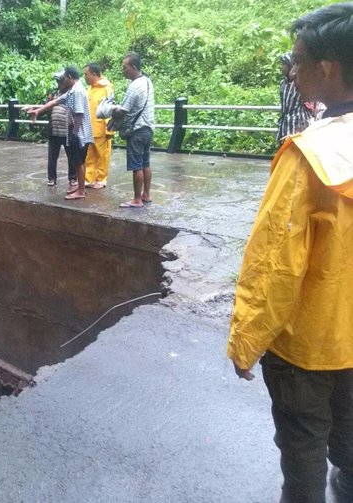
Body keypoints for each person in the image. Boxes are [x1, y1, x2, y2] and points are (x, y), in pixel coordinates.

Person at [227, 3, 353, 502]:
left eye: (298, 61)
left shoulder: (308, 155)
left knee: (302, 465)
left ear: (327, 69)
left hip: (307, 350)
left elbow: (275, 264)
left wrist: (246, 339)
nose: (292, 70)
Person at [26, 66, 93, 200]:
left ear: (69, 77)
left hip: (78, 133)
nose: (61, 82)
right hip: (77, 132)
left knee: (78, 162)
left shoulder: (78, 91)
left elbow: (79, 114)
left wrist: (74, 133)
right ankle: (80, 187)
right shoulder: (73, 90)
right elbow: (56, 101)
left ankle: (80, 191)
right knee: (79, 161)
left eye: (63, 79)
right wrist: (38, 111)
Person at [112, 52, 155, 208]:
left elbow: (123, 111)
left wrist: (109, 109)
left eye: (125, 67)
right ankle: (146, 195)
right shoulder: (147, 81)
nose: (123, 70)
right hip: (148, 129)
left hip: (136, 131)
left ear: (134, 67)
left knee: (136, 165)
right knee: (146, 163)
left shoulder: (134, 86)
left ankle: (137, 199)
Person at [83, 63, 115, 189]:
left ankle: (101, 179)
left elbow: (109, 109)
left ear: (94, 74)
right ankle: (89, 178)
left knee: (102, 155)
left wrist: (109, 130)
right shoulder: (90, 88)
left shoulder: (107, 88)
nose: (84, 77)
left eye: (86, 74)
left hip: (101, 128)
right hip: (89, 128)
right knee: (89, 155)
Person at [45, 70, 77, 186]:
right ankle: (52, 178)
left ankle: (73, 178)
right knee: (52, 157)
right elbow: (46, 109)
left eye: (61, 82)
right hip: (54, 131)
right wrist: (48, 101)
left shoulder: (72, 94)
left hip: (67, 131)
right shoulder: (53, 94)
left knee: (72, 157)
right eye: (57, 82)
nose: (59, 84)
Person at [276, 51, 315, 145]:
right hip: (285, 125)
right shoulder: (283, 83)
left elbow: (311, 103)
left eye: (284, 65)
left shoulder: (302, 83)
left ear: (290, 65)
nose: (282, 67)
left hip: (299, 125)